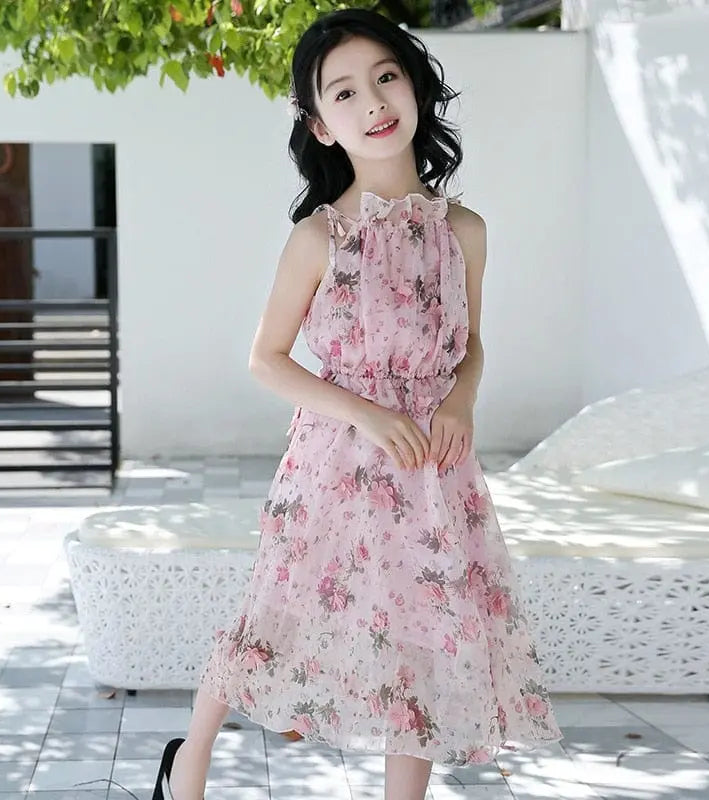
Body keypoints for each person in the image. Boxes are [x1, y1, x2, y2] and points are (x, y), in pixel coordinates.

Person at [153, 8, 563, 799]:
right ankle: (190, 767)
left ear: (414, 87)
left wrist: (461, 402)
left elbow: (471, 345)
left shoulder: (466, 230)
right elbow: (266, 360)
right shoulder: (319, 236)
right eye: (344, 92)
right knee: (272, 617)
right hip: (334, 460)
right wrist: (366, 414)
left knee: (422, 633)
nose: (372, 101)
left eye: (385, 76)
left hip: (433, 467)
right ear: (321, 124)